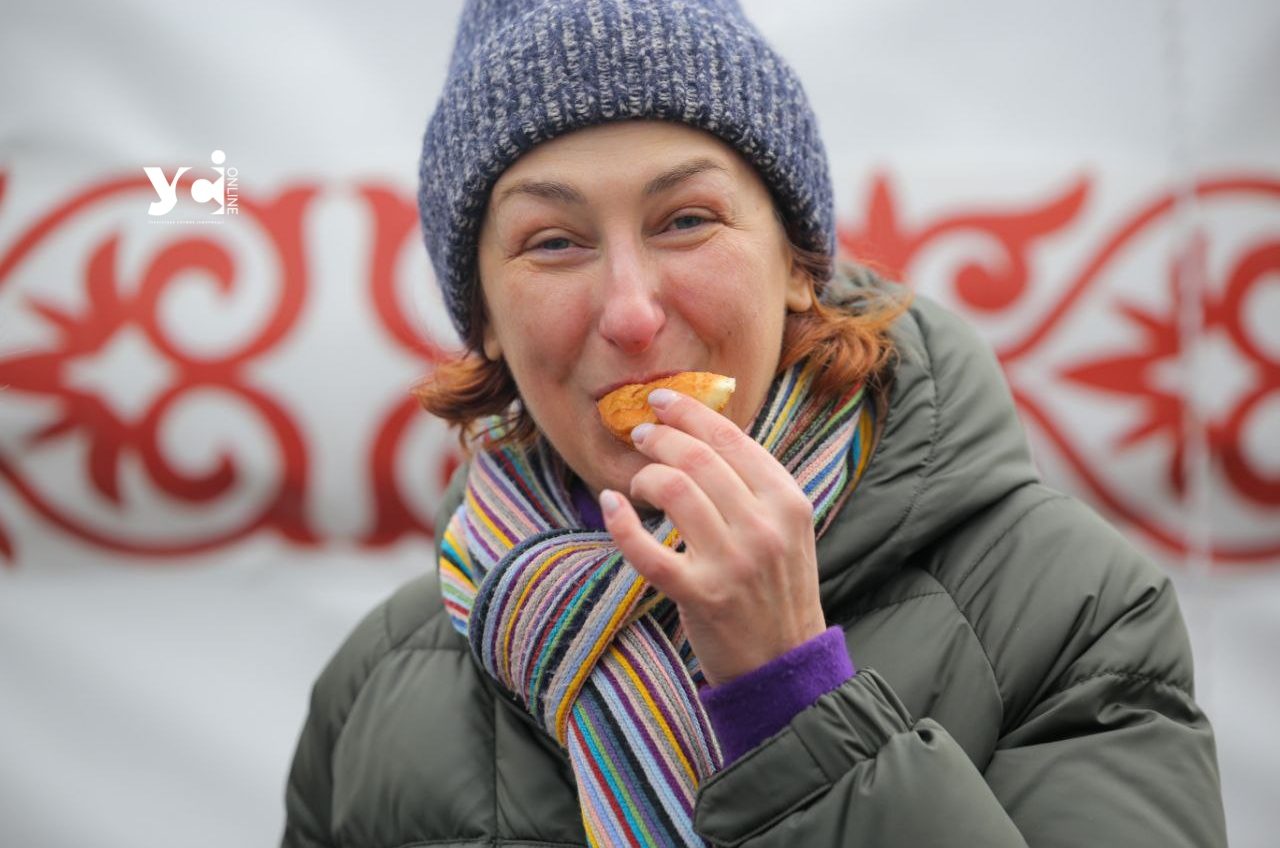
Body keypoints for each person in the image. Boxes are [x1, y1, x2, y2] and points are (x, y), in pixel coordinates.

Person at [282, 1, 1227, 845]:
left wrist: (794, 697)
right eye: (554, 242)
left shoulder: (1071, 607)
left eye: (687, 219)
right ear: (483, 320)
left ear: (799, 265)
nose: (632, 313)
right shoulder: (373, 687)